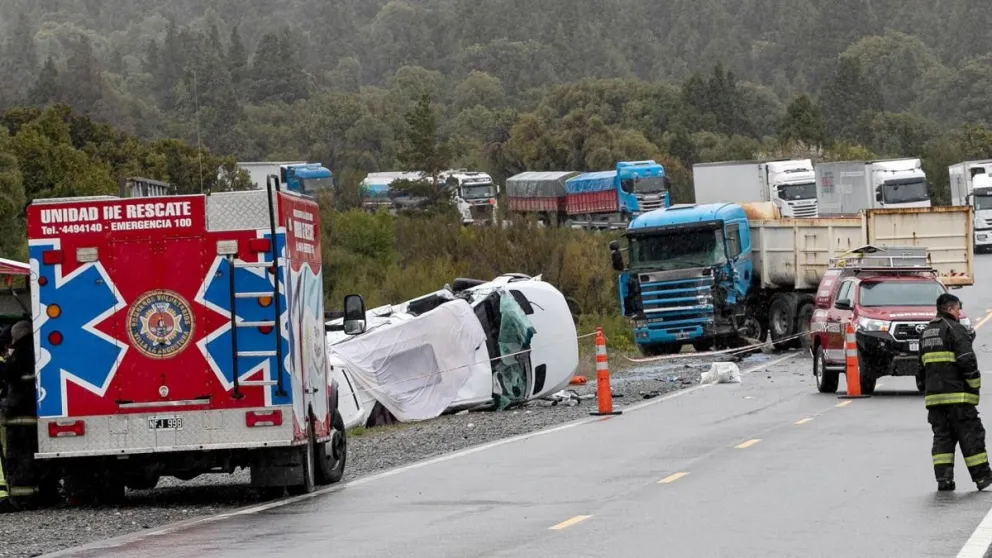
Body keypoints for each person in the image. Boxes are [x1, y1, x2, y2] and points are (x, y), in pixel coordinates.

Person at [919, 293, 991, 492]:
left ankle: (944, 479)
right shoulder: (955, 329)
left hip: (935, 400)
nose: (959, 312)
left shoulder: (926, 333)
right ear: (950, 309)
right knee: (971, 436)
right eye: (958, 309)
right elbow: (967, 360)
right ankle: (982, 477)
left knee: (943, 438)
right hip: (959, 398)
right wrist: (974, 385)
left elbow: (920, 367)